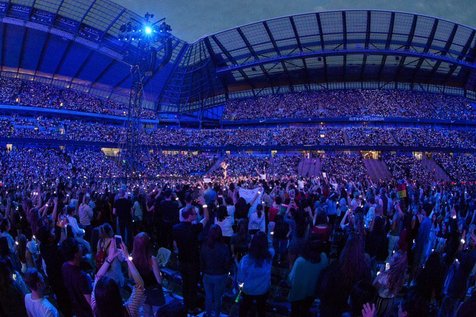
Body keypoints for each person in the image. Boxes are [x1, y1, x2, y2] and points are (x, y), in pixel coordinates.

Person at [173, 203, 210, 314]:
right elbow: (206, 218)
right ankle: (192, 307)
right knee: (193, 285)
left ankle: (186, 304)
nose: (196, 215)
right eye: (194, 214)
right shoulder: (194, 228)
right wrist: (204, 204)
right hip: (193, 262)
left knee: (185, 284)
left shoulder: (175, 228)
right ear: (189, 216)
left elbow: (175, 244)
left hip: (182, 260)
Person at [92, 241, 145, 317]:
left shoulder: (95, 308)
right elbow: (140, 285)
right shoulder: (129, 310)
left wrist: (109, 258)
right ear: (117, 293)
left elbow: (98, 277)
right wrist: (127, 257)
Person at [237, 231, 275, 317]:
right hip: (263, 290)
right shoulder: (270, 256)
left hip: (248, 290)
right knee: (261, 309)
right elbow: (271, 246)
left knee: (243, 309)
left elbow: (240, 278)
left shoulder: (245, 260)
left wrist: (239, 290)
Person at [288, 239, 329, 317]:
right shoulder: (324, 257)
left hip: (297, 295)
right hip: (313, 293)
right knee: (305, 310)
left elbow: (290, 281)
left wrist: (291, 263)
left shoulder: (300, 261)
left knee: (295, 312)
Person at [200, 225, 232, 317]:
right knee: (218, 297)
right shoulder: (224, 247)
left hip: (207, 275)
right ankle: (217, 314)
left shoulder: (204, 246)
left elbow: (201, 261)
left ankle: (208, 313)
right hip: (220, 275)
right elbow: (227, 263)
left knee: (208, 296)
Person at [132, 232, 164, 317]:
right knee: (158, 313)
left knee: (147, 314)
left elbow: (131, 276)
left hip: (143, 291)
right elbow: (159, 281)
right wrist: (160, 274)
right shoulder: (152, 259)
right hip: (155, 291)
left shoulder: (133, 259)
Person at [60, 237, 93, 317]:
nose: (81, 247)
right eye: (79, 246)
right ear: (75, 254)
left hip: (77, 309)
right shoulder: (81, 277)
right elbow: (91, 302)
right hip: (87, 312)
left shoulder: (64, 266)